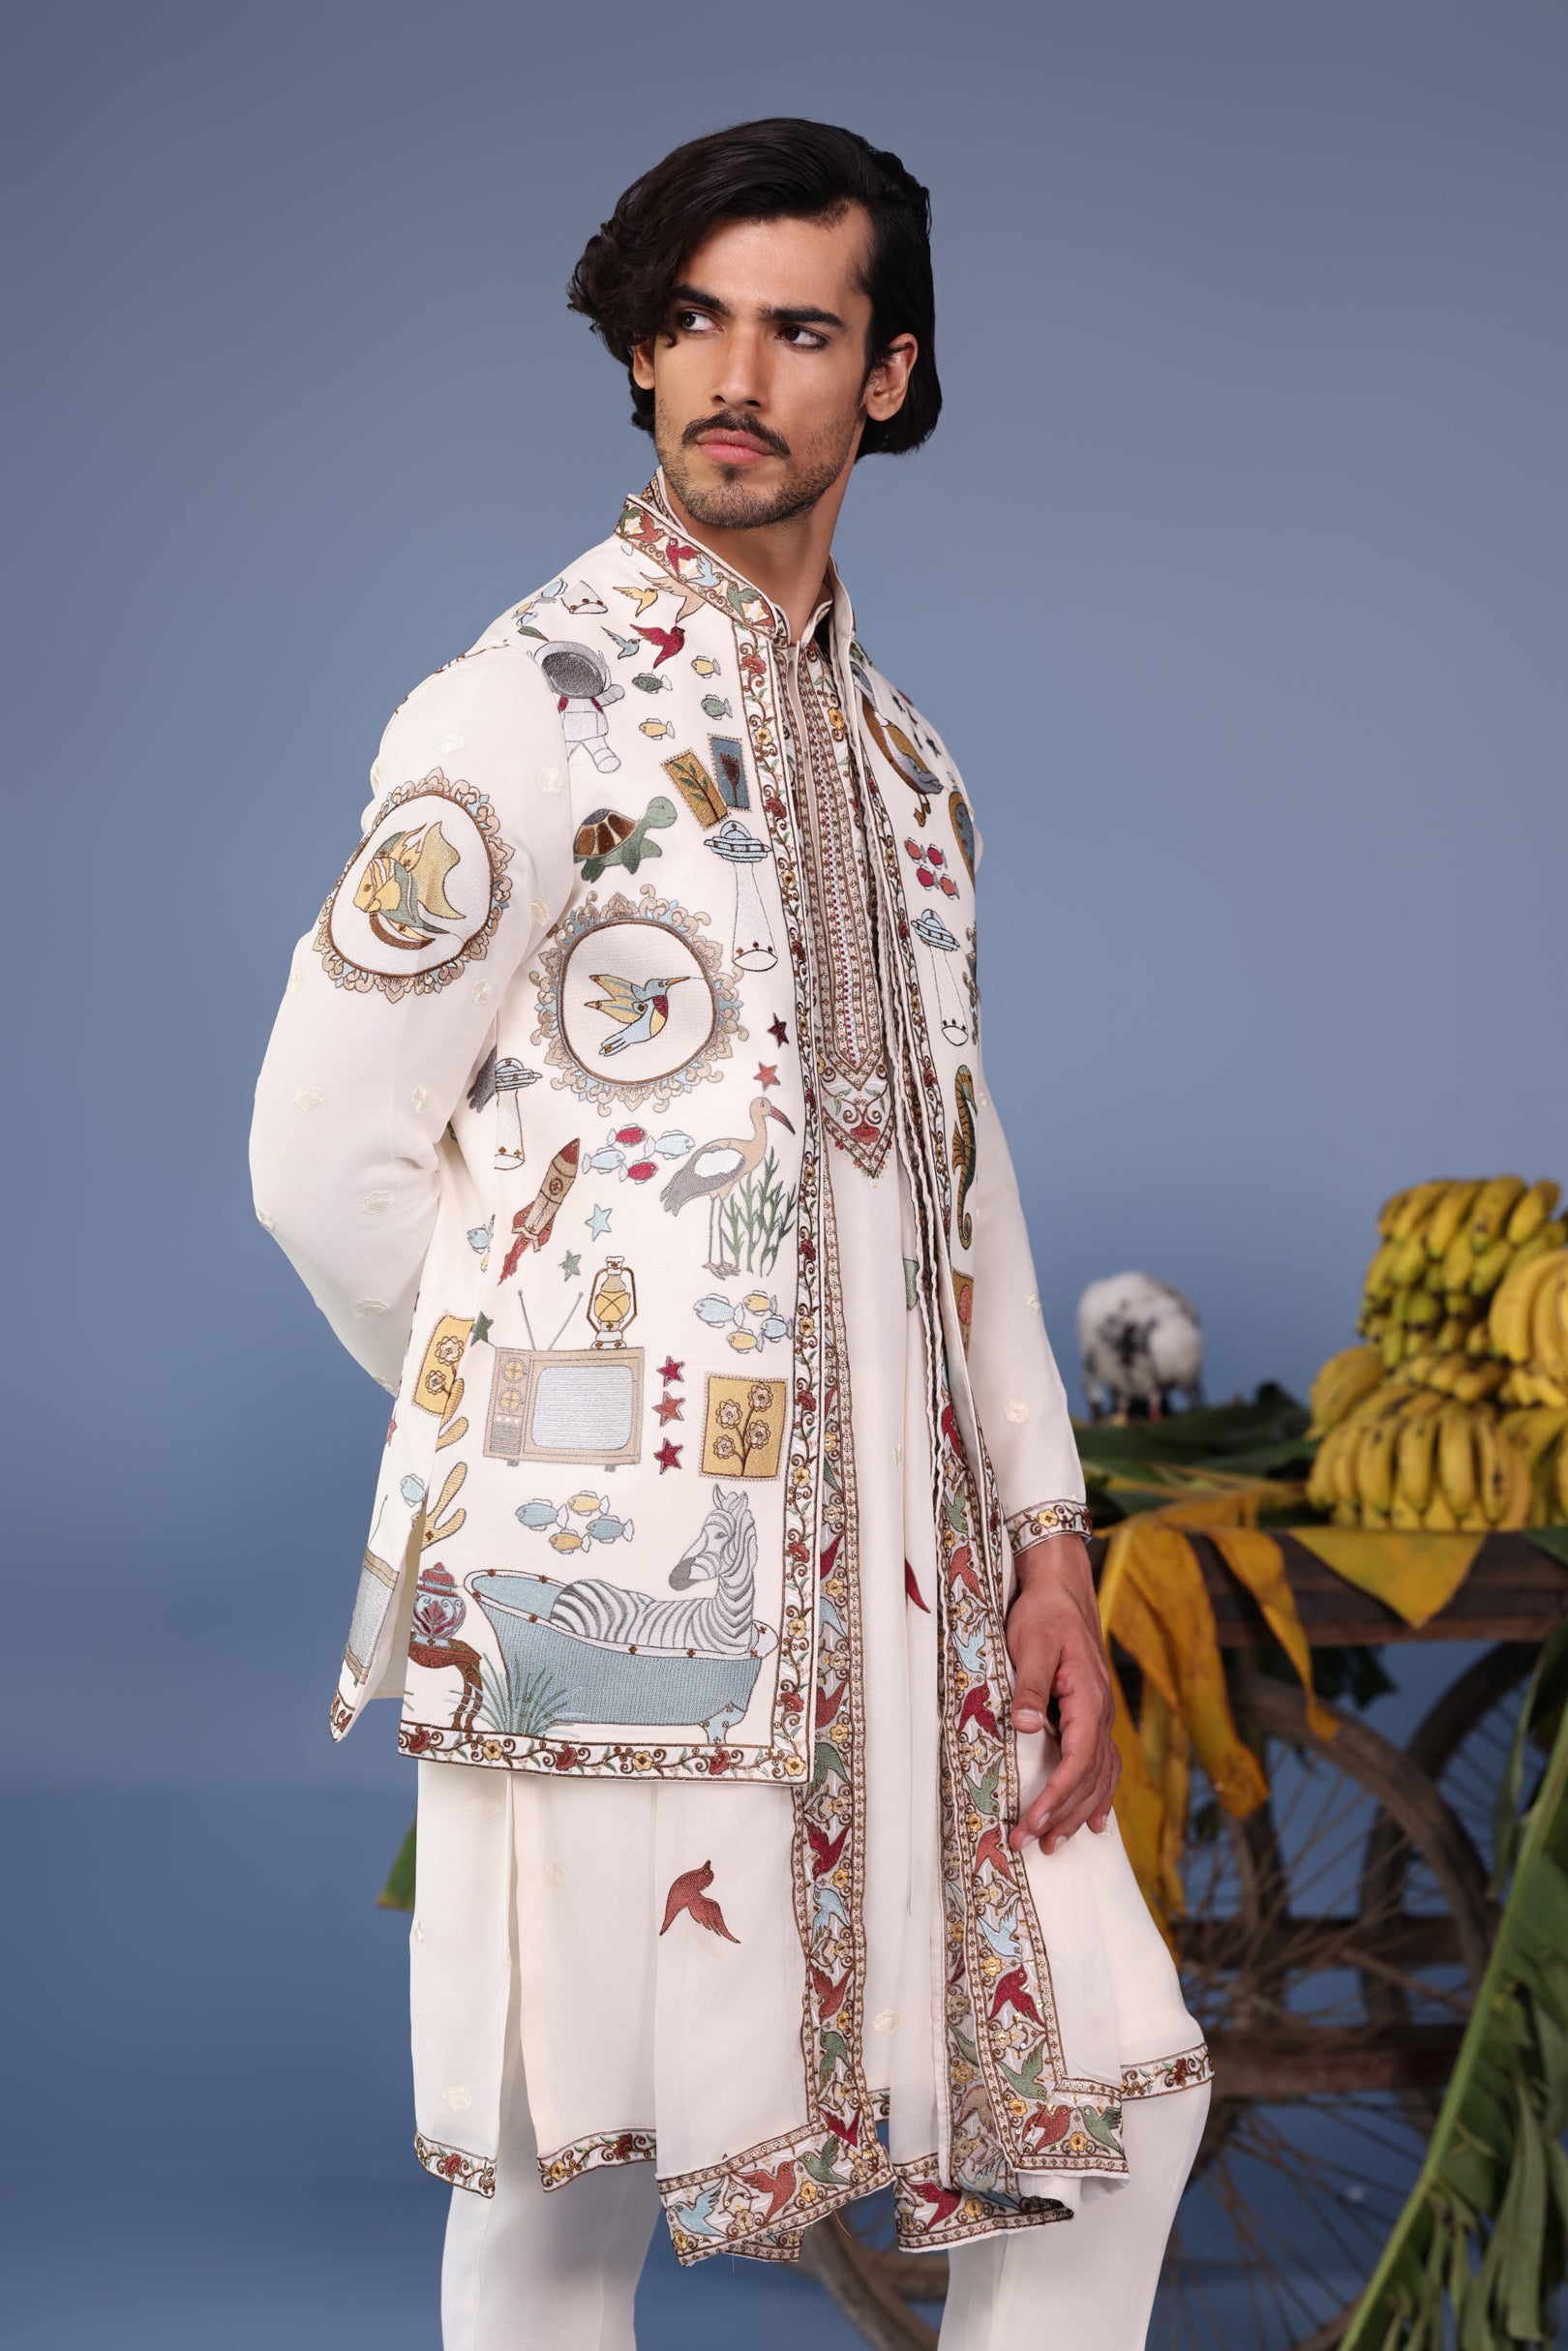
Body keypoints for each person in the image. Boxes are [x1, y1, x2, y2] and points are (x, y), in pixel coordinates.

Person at [250, 116, 1211, 2351]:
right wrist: (536, 1442)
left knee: (1121, 2101)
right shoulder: (522, 707)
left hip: (919, 1599)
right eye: (693, 321)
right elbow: (320, 1152)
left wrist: (1047, 1543)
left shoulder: (910, 768)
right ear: (638, 349)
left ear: (889, 374)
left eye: (797, 328)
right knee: (566, 2187)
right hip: (619, 1584)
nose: (734, 375)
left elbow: (958, 1176)